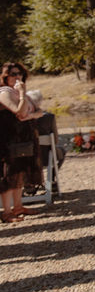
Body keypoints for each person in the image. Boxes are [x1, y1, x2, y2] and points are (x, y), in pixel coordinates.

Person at [0, 62, 44, 222]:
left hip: (23, 137)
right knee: (8, 174)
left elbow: (37, 111)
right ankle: (6, 212)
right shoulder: (4, 92)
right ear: (5, 76)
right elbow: (19, 112)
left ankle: (18, 206)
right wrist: (22, 93)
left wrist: (30, 114)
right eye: (13, 74)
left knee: (20, 171)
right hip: (8, 138)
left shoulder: (19, 93)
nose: (17, 77)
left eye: (19, 74)